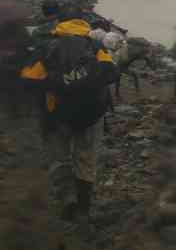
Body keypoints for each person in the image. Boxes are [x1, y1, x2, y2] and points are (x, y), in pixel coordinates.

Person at [20, 14, 117, 224]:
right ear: (84, 29)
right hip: (91, 115)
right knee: (86, 158)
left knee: (60, 159)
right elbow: (111, 73)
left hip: (57, 115)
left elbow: (28, 79)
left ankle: (66, 202)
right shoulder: (95, 46)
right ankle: (84, 208)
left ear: (60, 28)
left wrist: (55, 84)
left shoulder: (46, 47)